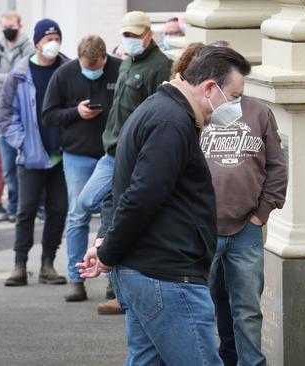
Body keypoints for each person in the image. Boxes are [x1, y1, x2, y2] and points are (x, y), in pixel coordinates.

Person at [78, 45, 250, 365]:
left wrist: (107, 246)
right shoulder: (172, 121)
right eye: (234, 96)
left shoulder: (159, 111)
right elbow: (141, 197)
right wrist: (107, 252)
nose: (236, 107)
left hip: (150, 272)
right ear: (210, 87)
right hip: (168, 277)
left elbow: (125, 190)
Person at [183, 40, 286, 366]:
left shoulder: (259, 112)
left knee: (247, 310)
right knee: (199, 308)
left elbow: (277, 168)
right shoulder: (193, 114)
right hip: (202, 230)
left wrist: (262, 214)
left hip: (246, 230)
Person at [79, 10, 172, 314]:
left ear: (148, 35)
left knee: (115, 207)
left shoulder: (160, 66)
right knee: (91, 201)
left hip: (131, 152)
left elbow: (157, 113)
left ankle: (116, 288)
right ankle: (108, 279)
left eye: (134, 35)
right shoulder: (127, 61)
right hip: (112, 149)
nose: (129, 40)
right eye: (126, 35)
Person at [41, 35, 121, 301]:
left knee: (113, 218)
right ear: (79, 59)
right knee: (77, 215)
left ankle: (113, 280)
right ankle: (76, 279)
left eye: (97, 66)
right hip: (77, 155)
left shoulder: (119, 69)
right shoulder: (64, 74)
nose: (93, 71)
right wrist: (76, 112)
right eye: (88, 66)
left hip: (112, 156)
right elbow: (49, 115)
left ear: (104, 58)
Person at [0, 18, 69, 287]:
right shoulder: (19, 73)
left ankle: (48, 264)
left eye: (56, 38)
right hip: (30, 155)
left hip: (62, 156)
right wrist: (22, 141)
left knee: (58, 211)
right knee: (25, 211)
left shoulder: (67, 69)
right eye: (48, 39)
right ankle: (19, 265)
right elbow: (4, 114)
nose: (53, 44)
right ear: (37, 42)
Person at [0, 11, 36, 223]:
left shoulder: (28, 48)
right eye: (4, 26)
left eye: (12, 26)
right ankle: (14, 207)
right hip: (4, 115)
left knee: (28, 165)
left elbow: (25, 74)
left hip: (25, 115)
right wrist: (10, 77)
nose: (8, 29)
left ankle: (34, 207)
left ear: (20, 25)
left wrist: (5, 77)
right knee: (8, 167)